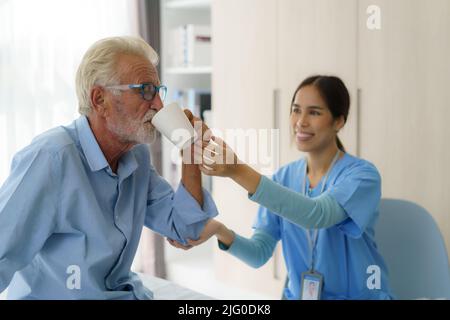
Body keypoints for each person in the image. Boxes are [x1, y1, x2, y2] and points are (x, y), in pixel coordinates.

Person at [0, 36, 217, 300]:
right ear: (100, 99)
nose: (159, 105)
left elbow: (186, 231)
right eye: (146, 90)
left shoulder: (135, 156)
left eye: (159, 91)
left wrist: (190, 152)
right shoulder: (50, 159)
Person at [169, 75, 394, 300]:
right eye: (296, 110)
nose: (300, 121)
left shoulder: (363, 176)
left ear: (339, 121)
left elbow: (318, 214)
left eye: (314, 112)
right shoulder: (284, 178)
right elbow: (259, 253)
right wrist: (220, 230)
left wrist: (237, 170)